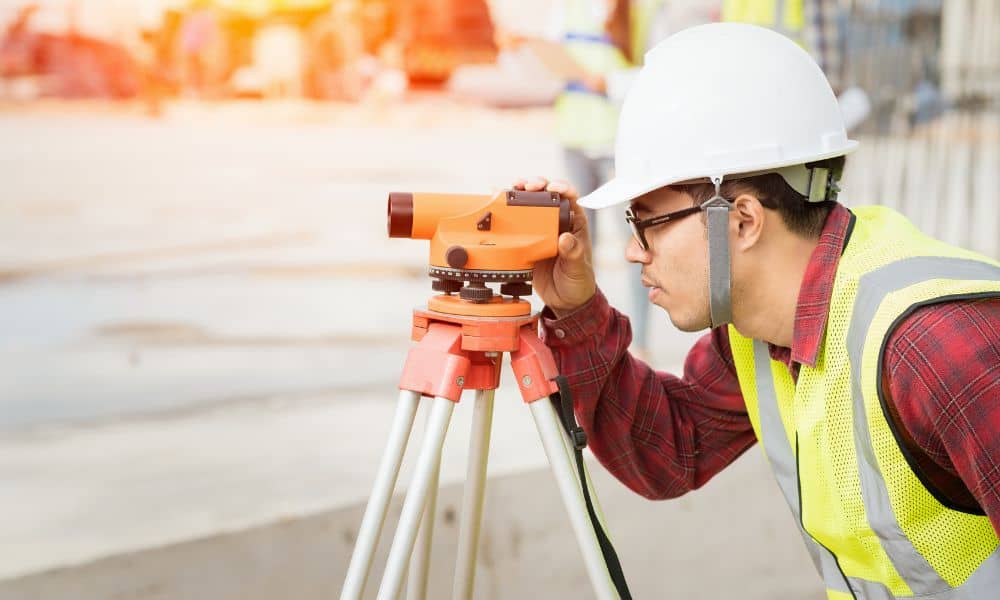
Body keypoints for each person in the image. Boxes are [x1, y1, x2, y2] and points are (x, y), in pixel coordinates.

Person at [517, 23, 1000, 598]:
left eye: (646, 222)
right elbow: (665, 450)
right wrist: (576, 310)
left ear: (742, 220)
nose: (631, 250)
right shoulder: (758, 331)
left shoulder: (933, 345)